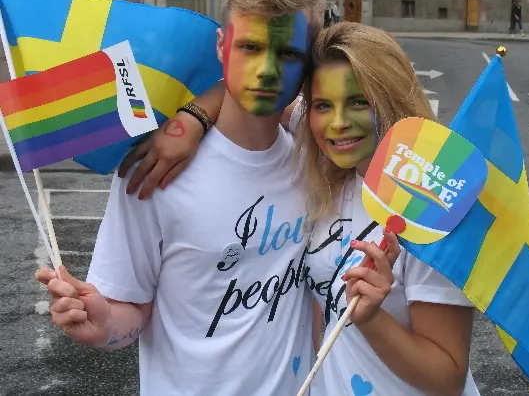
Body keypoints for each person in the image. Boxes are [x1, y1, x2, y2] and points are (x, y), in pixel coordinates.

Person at [34, 0, 399, 396]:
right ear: (222, 46)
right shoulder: (156, 171)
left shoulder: (316, 160)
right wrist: (103, 325)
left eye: (288, 54)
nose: (266, 71)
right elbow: (130, 310)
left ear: (309, 61)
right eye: (250, 47)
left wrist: (194, 114)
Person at [121, 22, 481, 395]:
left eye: (360, 101)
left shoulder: (430, 204)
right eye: (323, 105)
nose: (339, 123)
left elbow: (448, 377)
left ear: (390, 99)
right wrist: (191, 119)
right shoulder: (328, 164)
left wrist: (372, 318)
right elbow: (255, 95)